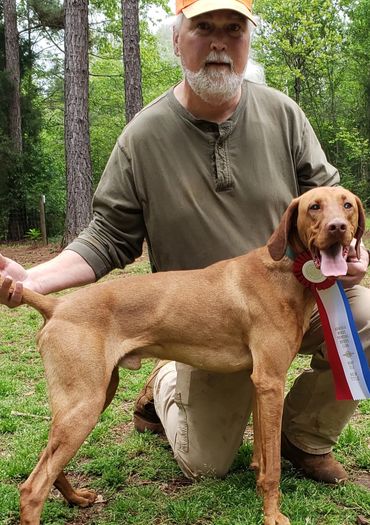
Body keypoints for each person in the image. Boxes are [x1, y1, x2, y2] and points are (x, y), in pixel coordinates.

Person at [1, 0, 369, 485]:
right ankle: (165, 382)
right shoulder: (143, 136)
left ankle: (303, 439)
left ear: (247, 42)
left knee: (367, 320)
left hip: (299, 289)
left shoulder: (284, 113)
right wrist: (34, 278)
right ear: (177, 40)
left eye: (233, 29)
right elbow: (108, 235)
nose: (219, 42)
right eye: (203, 28)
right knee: (207, 464)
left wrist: (356, 256)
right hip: (202, 319)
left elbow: (333, 201)